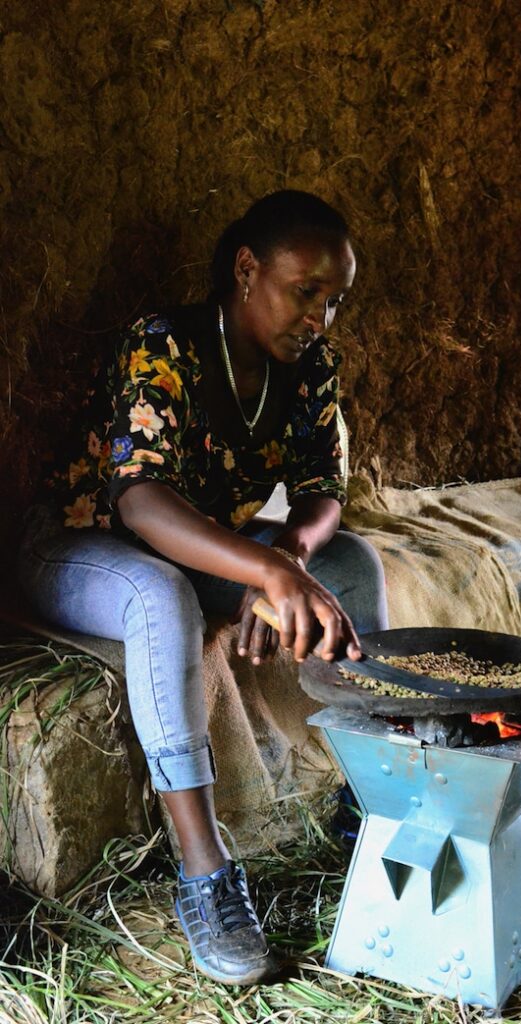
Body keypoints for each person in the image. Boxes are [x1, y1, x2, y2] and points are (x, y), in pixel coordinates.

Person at [17, 190, 389, 985]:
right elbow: (140, 501)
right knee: (161, 600)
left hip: (206, 545)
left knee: (353, 563)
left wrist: (287, 552)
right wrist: (264, 571)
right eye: (306, 292)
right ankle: (205, 873)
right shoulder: (163, 344)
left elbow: (324, 489)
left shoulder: (310, 365)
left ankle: (376, 803)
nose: (320, 317)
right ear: (246, 269)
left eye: (335, 300)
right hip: (82, 546)